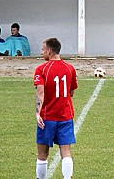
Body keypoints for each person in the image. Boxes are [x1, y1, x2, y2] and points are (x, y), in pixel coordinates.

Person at [34, 37, 78, 179]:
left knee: (42, 154)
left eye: (43, 49)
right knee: (66, 151)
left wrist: (37, 113)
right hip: (65, 116)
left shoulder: (41, 69)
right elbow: (71, 92)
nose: (42, 52)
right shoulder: (70, 68)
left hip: (47, 117)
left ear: (49, 51)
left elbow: (41, 92)